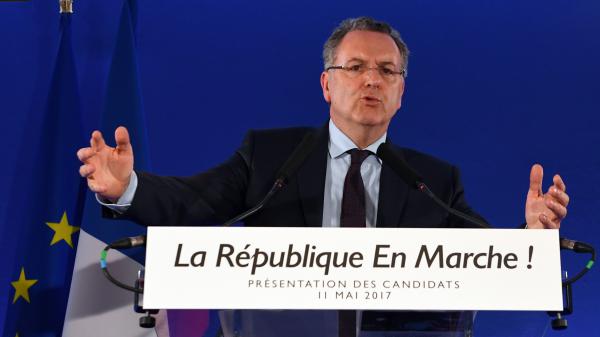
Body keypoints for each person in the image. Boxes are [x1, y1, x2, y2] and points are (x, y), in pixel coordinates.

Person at [76, 16, 569, 335]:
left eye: (387, 71)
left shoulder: (433, 180)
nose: (371, 79)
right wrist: (127, 187)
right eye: (355, 67)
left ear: (401, 92)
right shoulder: (269, 158)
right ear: (327, 85)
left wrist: (530, 239)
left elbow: (482, 255)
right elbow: (192, 204)